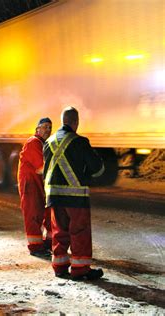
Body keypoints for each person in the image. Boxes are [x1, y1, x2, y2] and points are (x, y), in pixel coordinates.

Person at [43, 107, 105, 281]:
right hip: (76, 197)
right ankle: (80, 269)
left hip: (54, 196)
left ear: (63, 121)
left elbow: (45, 170)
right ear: (75, 122)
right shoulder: (80, 142)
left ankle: (60, 267)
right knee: (79, 232)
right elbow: (97, 169)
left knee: (59, 232)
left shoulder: (49, 142)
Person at [18, 117, 52, 258]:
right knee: (33, 215)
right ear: (37, 129)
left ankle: (46, 244)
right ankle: (35, 247)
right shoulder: (34, 142)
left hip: (36, 184)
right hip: (30, 184)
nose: (48, 130)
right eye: (44, 127)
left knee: (42, 213)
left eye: (50, 127)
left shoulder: (42, 143)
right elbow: (41, 168)